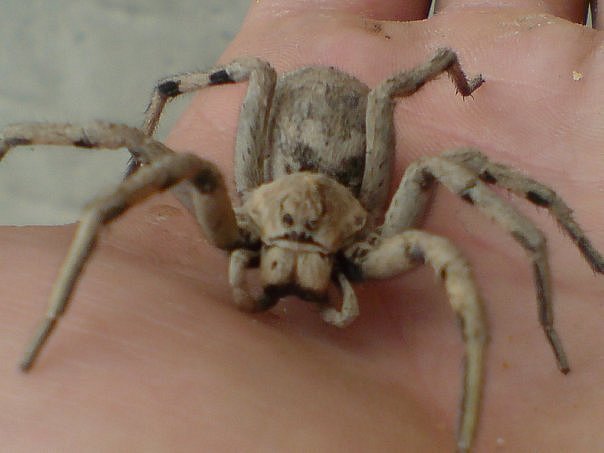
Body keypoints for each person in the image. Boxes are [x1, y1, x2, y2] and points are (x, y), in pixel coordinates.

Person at [1, 1, 602, 451]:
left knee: (433, 162)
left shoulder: (375, 223)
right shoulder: (236, 199)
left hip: (351, 174)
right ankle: (50, 318)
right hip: (279, 158)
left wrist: (547, 271)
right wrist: (131, 176)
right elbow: (151, 125)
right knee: (173, 128)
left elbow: (448, 146)